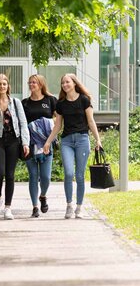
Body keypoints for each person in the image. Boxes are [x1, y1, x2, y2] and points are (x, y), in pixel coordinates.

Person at [43, 73, 102, 219]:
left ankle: (79, 207)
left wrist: (98, 140)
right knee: (69, 173)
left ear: (74, 83)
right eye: (63, 83)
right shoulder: (60, 104)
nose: (65, 85)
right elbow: (57, 126)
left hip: (82, 140)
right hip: (67, 141)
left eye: (67, 82)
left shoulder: (84, 100)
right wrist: (48, 141)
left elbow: (91, 121)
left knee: (80, 175)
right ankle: (69, 205)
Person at [0, 74, 30, 220]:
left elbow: (23, 124)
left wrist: (25, 143)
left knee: (10, 175)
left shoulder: (15, 103)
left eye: (4, 84)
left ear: (8, 86)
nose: (2, 86)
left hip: (13, 141)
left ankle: (8, 208)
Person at [22, 74, 57, 218]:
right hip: (30, 144)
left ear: (41, 84)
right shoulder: (25, 103)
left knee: (45, 177)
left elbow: (58, 119)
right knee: (33, 176)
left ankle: (42, 196)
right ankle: (35, 206)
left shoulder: (50, 100)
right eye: (29, 82)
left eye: (34, 82)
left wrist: (46, 124)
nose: (31, 85)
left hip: (46, 144)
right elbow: (22, 124)